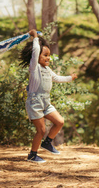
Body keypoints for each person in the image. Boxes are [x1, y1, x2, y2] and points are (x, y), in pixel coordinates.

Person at [20, 29, 77, 163]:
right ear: (37, 56)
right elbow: (35, 52)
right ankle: (33, 155)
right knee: (41, 130)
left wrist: (70, 78)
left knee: (59, 122)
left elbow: (56, 78)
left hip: (46, 102)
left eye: (49, 55)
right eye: (45, 55)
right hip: (35, 103)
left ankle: (47, 143)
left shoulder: (47, 69)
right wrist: (35, 38)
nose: (48, 58)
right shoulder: (34, 68)